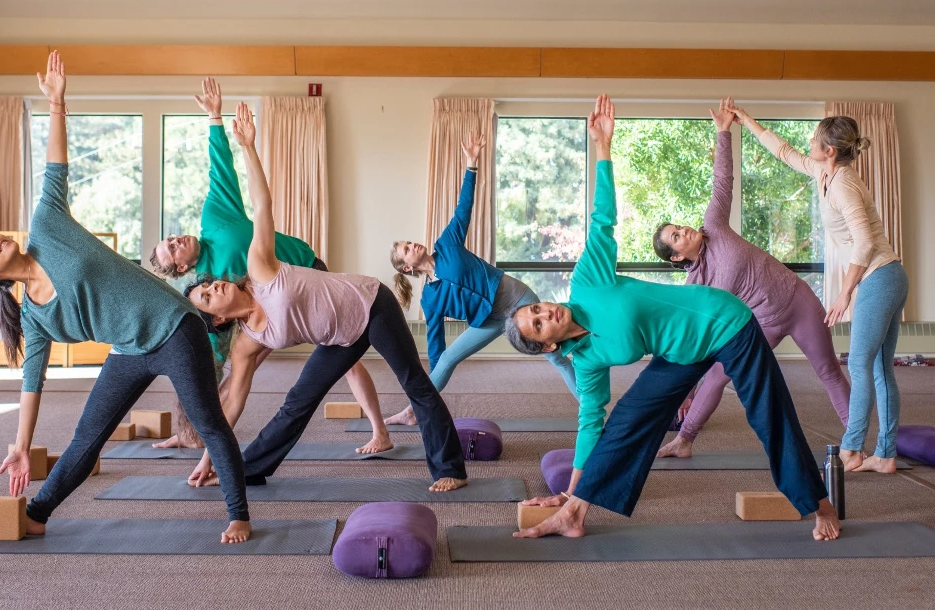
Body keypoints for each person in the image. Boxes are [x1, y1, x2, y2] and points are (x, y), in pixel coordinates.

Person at [504, 94, 839, 541]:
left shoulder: (588, 282)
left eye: (537, 308)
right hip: (682, 349)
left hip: (726, 323)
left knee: (766, 411)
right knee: (626, 420)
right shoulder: (585, 360)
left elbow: (602, 219)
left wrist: (603, 147)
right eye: (539, 323)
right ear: (548, 345)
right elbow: (590, 422)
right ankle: (575, 513)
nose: (545, 311)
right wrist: (569, 492)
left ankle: (819, 506)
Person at [0, 52, 250, 542]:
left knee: (208, 422)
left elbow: (55, 168)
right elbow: (33, 384)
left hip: (174, 325)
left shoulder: (46, 227)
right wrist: (21, 445)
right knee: (87, 437)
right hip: (128, 350)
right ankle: (37, 515)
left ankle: (238, 513)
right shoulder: (33, 317)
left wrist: (56, 104)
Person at [185, 102, 467, 492]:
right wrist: (214, 459)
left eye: (210, 284)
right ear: (217, 319)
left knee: (414, 383)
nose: (214, 286)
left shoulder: (260, 268)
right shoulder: (246, 345)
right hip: (340, 337)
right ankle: (247, 470)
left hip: (371, 305)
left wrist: (248, 146)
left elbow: (262, 205)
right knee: (297, 402)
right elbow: (231, 403)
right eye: (207, 296)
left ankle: (449, 469)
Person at [148, 77, 390, 454]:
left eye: (172, 238)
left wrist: (214, 117)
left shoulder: (215, 218)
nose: (176, 241)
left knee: (344, 355)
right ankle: (203, 437)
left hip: (304, 273)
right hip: (264, 311)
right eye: (172, 251)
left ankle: (380, 431)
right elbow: (210, 360)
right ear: (182, 271)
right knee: (238, 370)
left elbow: (220, 170)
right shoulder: (207, 296)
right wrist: (187, 419)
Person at [651, 97, 850, 459]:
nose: (683, 230)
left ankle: (854, 446)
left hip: (798, 301)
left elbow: (722, 179)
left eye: (679, 226)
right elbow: (691, 342)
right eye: (676, 236)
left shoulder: (714, 227)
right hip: (764, 324)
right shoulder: (696, 288)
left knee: (829, 372)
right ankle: (685, 439)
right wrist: (685, 390)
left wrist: (724, 130)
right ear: (677, 256)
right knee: (715, 375)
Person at [734, 102, 907, 474]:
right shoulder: (822, 172)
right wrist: (745, 120)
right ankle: (886, 455)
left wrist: (844, 293)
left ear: (829, 150)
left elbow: (863, 244)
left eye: (814, 139)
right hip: (888, 276)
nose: (809, 142)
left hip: (880, 277)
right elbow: (783, 151)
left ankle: (851, 448)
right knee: (878, 368)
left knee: (861, 364)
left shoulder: (844, 184)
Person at [385, 132, 578, 426]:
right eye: (407, 250)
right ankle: (413, 410)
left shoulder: (447, 244)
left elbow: (464, 209)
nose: (413, 245)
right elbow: (436, 343)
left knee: (556, 357)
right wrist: (435, 381)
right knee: (448, 359)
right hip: (491, 320)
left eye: (410, 242)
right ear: (407, 269)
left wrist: (471, 164)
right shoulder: (430, 298)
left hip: (517, 299)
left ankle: (593, 408)